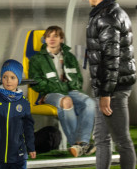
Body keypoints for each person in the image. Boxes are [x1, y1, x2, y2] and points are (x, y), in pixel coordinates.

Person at [72, 0, 137, 169]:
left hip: (114, 88)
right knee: (101, 138)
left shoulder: (108, 16)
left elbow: (111, 58)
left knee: (122, 141)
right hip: (106, 87)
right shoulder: (106, 13)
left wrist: (107, 93)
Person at [28, 25, 95, 156]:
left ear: (61, 39)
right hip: (49, 94)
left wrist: (72, 86)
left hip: (70, 91)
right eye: (48, 36)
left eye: (55, 36)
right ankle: (76, 143)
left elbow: (78, 80)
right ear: (45, 40)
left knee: (90, 103)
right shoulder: (37, 59)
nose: (51, 39)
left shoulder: (70, 57)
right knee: (66, 101)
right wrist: (60, 88)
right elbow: (36, 82)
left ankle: (83, 143)